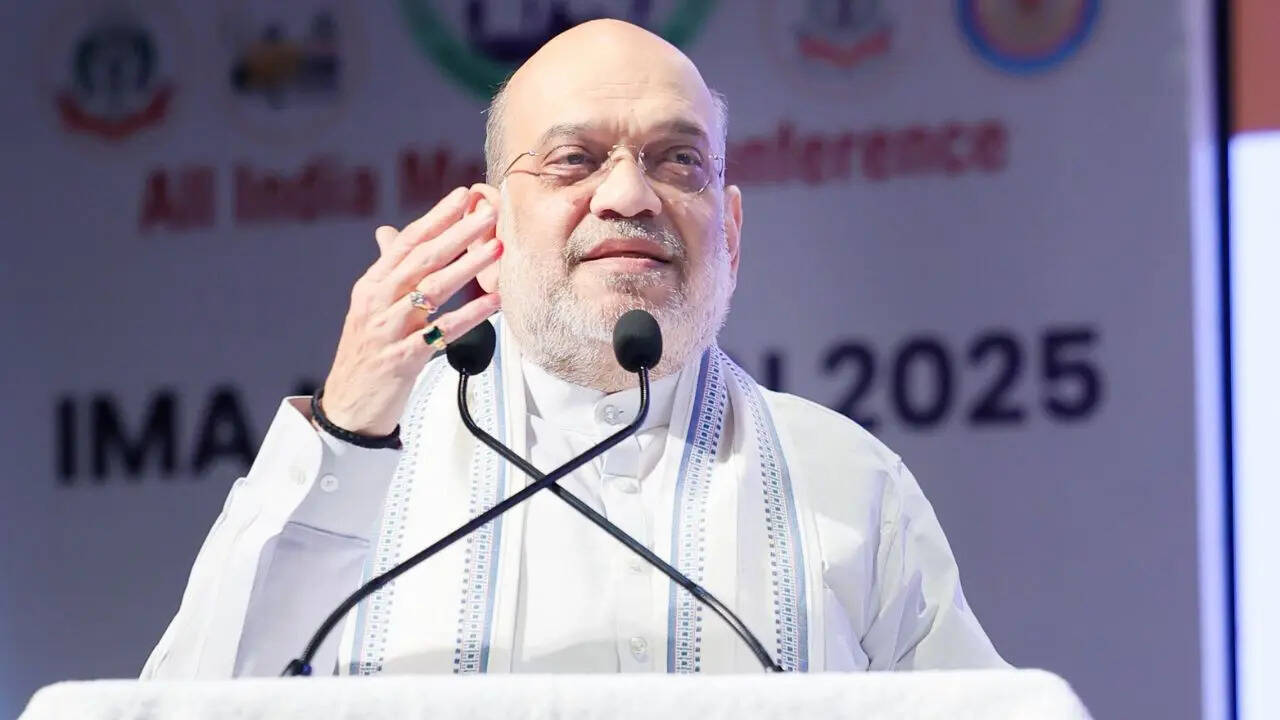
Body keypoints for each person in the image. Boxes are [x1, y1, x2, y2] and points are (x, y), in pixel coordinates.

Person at [142, 19, 1005, 678]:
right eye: (572, 160)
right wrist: (344, 436)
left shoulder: (848, 483)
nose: (628, 193)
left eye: (678, 159)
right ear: (490, 230)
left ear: (732, 233)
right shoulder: (362, 463)